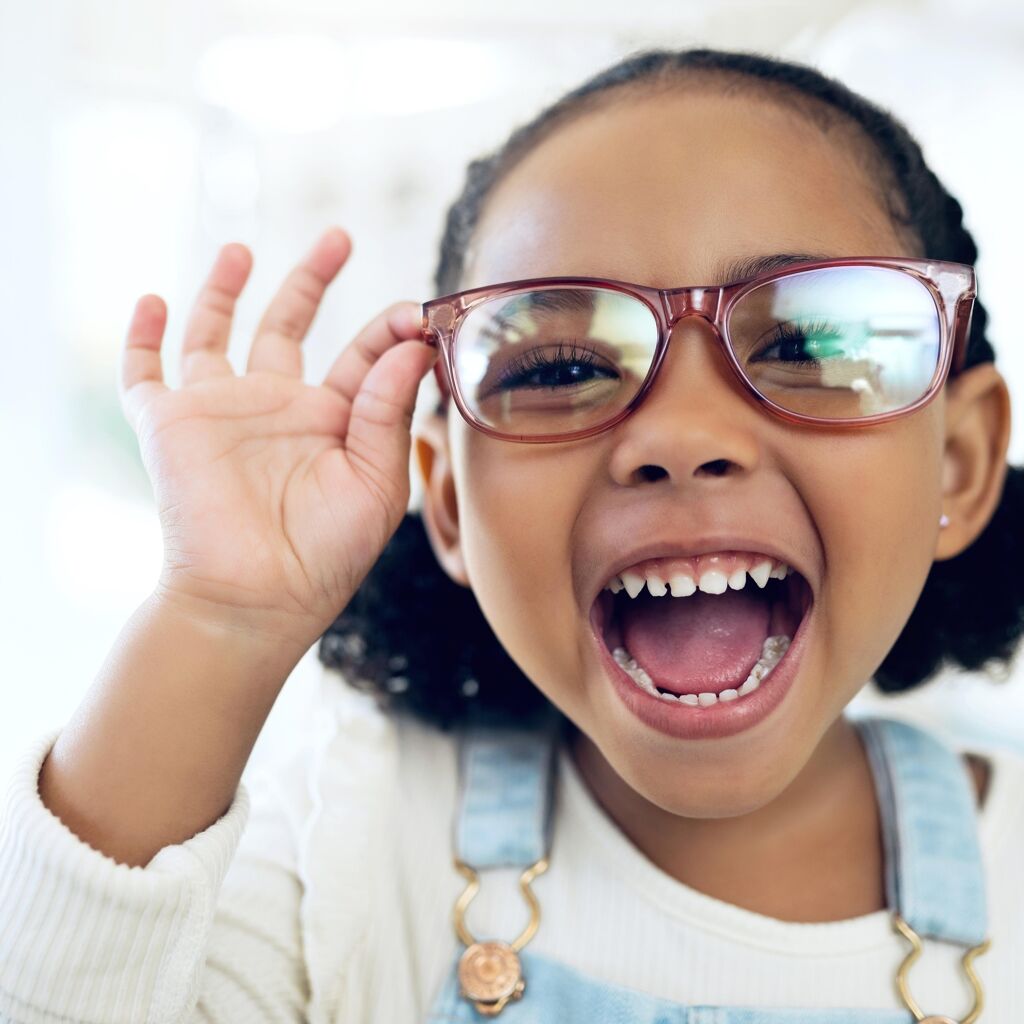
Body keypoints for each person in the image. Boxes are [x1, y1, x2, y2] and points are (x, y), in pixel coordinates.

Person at [2, 46, 1023, 1023]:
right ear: (445, 501)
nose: (679, 435)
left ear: (959, 463)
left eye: (808, 343)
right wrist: (220, 618)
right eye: (558, 368)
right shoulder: (359, 833)